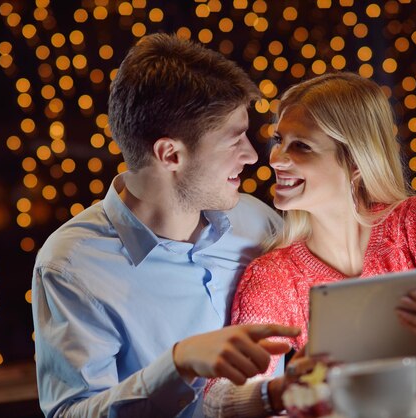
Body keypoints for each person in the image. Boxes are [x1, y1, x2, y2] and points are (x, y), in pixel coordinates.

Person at [203, 72, 416, 417]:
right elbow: (217, 400)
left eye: (301, 145)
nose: (275, 158)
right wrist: (277, 390)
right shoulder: (275, 276)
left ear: (356, 162)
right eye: (279, 140)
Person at [31, 33, 301, 418]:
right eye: (233, 139)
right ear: (170, 154)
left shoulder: (258, 221)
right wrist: (178, 365)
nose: (252, 155)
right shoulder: (71, 266)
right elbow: (71, 414)